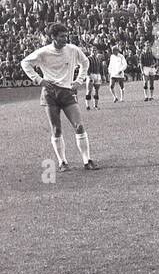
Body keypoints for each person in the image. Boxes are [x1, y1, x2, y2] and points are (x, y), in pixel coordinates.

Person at [20, 25, 99, 170]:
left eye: (66, 35)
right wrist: (39, 80)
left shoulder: (73, 49)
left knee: (79, 125)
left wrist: (79, 81)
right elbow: (25, 63)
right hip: (50, 94)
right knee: (56, 129)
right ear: (53, 37)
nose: (65, 39)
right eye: (62, 36)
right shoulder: (43, 52)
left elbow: (85, 63)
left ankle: (87, 160)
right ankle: (63, 162)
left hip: (67, 92)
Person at [85, 44, 107, 109]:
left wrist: (103, 76)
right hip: (91, 75)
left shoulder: (98, 59)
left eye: (95, 50)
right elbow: (86, 68)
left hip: (97, 75)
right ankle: (88, 105)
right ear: (90, 51)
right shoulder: (88, 58)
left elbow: (101, 68)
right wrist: (89, 76)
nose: (94, 52)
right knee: (89, 90)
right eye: (93, 50)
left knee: (96, 90)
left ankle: (95, 105)